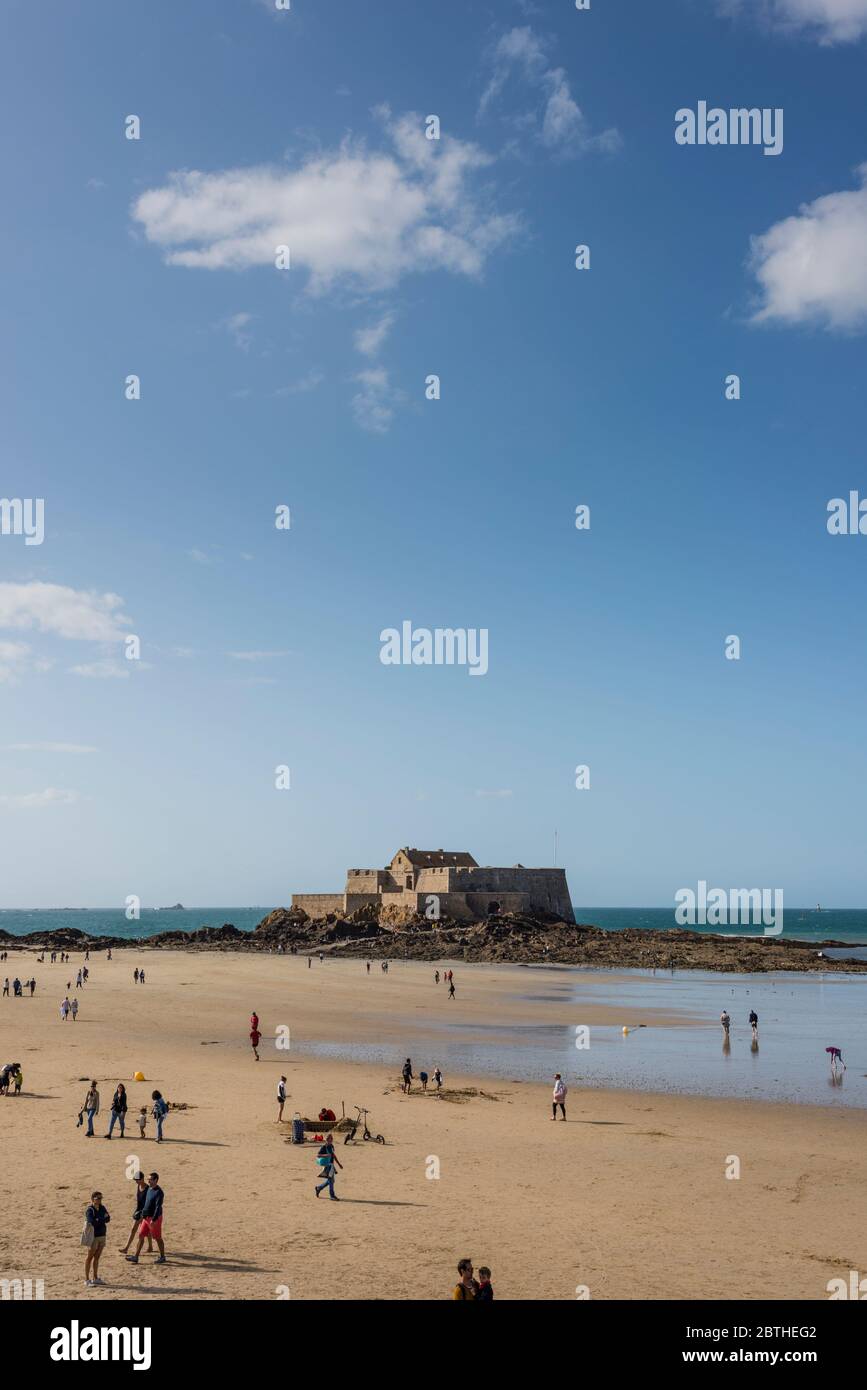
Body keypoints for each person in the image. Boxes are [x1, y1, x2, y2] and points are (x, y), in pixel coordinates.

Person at [126, 1172, 165, 1264]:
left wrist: (154, 1220)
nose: (149, 1181)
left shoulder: (159, 1192)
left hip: (154, 1219)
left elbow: (158, 1207)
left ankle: (162, 1256)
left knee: (158, 1238)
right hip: (146, 1217)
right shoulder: (149, 1189)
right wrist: (142, 1214)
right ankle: (136, 1257)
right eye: (148, 1179)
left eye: (150, 1179)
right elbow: (146, 1203)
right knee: (141, 1235)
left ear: (156, 1180)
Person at [120, 1173, 153, 1255]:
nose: (136, 1182)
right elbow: (139, 1201)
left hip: (145, 1212)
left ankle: (126, 1248)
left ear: (142, 1179)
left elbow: (149, 1203)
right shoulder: (138, 1186)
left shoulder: (148, 1189)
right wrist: (136, 1211)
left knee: (135, 1229)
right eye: (135, 1180)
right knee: (147, 1230)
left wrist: (143, 1214)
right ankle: (150, 1247)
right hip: (138, 1211)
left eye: (137, 1180)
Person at [84, 1190, 110, 1287]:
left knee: (97, 1257)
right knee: (90, 1257)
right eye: (97, 1198)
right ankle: (86, 1279)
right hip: (93, 1236)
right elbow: (92, 1222)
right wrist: (101, 1219)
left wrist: (99, 1219)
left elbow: (108, 1219)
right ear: (92, 1199)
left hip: (102, 1235)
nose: (99, 1200)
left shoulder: (102, 1207)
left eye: (101, 1198)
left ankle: (95, 1277)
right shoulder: (90, 1210)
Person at [314, 1136, 343, 1201]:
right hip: (327, 1165)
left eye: (331, 1139)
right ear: (326, 1140)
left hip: (331, 1165)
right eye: (329, 1139)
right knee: (331, 1180)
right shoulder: (324, 1147)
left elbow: (333, 1155)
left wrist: (339, 1164)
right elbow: (318, 1155)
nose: (331, 1140)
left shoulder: (331, 1146)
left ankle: (319, 1188)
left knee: (331, 1181)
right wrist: (325, 1155)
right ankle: (332, 1196)